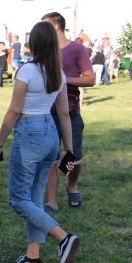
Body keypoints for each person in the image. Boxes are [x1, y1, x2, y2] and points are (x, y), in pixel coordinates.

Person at [0, 21, 81, 263]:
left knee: (18, 199)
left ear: (34, 43)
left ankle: (63, 237)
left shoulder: (27, 71)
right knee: (35, 198)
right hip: (50, 133)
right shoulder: (58, 73)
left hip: (30, 132)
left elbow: (15, 110)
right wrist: (68, 149)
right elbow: (63, 113)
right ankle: (33, 255)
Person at [41, 12, 95, 212]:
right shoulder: (45, 50)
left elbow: (90, 79)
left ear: (56, 26)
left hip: (70, 110)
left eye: (44, 26)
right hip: (46, 109)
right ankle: (51, 200)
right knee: (51, 157)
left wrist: (63, 79)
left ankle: (72, 185)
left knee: (75, 156)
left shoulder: (77, 49)